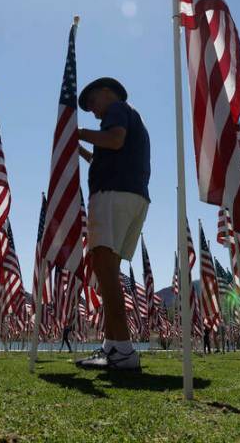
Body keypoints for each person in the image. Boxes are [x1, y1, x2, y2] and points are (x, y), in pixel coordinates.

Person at [73, 77, 150, 373]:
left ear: (107, 92)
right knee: (107, 272)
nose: (92, 111)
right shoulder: (130, 116)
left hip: (113, 195)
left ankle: (124, 350)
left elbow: (115, 139)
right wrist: (78, 146)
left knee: (104, 270)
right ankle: (112, 346)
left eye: (92, 102)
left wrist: (77, 132)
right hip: (133, 196)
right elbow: (105, 156)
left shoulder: (117, 110)